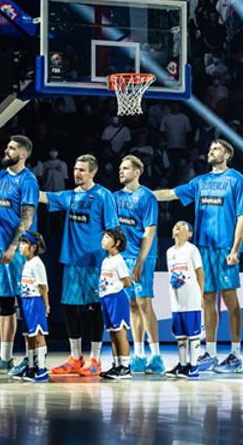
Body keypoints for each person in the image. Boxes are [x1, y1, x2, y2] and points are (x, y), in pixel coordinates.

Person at [152, 140, 243, 372]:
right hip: (203, 249)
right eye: (209, 148)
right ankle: (212, 352)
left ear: (226, 154)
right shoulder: (200, 181)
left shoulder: (237, 179)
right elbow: (170, 193)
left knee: (230, 299)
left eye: (215, 149)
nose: (210, 151)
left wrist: (236, 248)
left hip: (225, 248)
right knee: (207, 300)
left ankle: (235, 355)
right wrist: (143, 193)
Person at [41, 154, 120, 378]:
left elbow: (113, 229)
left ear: (92, 172)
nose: (77, 173)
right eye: (75, 169)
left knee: (94, 308)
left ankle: (95, 359)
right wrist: (26, 188)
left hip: (95, 262)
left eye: (82, 170)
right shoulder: (70, 196)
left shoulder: (103, 195)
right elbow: (45, 197)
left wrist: (111, 261)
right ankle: (76, 358)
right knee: (69, 308)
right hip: (71, 260)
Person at [0, 136, 39, 374]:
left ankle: (31, 357)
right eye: (7, 146)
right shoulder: (0, 176)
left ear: (23, 154)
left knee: (27, 302)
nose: (6, 149)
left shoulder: (28, 180)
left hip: (18, 251)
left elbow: (27, 218)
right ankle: (5, 358)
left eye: (11, 147)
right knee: (5, 302)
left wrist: (14, 247)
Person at [113, 155, 162, 375]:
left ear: (137, 172)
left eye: (125, 168)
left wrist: (141, 259)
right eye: (120, 168)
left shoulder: (147, 197)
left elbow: (149, 231)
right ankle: (139, 355)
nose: (121, 172)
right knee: (132, 305)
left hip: (143, 257)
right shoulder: (114, 197)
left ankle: (156, 356)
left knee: (144, 303)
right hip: (123, 258)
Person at [163, 221, 205, 379]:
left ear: (190, 234)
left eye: (182, 225)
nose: (177, 226)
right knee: (180, 336)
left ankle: (194, 366)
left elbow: (200, 272)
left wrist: (200, 294)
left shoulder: (192, 249)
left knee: (193, 334)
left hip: (191, 298)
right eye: (175, 225)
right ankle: (182, 365)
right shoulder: (169, 252)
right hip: (176, 299)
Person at [98, 228, 134, 380]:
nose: (103, 240)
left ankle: (125, 367)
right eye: (104, 237)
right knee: (112, 334)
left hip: (117, 299)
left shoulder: (119, 260)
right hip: (106, 299)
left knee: (120, 333)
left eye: (107, 238)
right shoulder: (106, 260)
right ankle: (116, 364)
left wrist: (113, 289)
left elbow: (127, 282)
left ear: (117, 243)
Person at [16, 231, 51, 383]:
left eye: (24, 243)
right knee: (29, 336)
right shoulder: (26, 263)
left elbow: (43, 287)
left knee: (38, 335)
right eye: (20, 243)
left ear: (33, 247)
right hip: (26, 302)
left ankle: (42, 369)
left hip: (36, 301)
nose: (20, 246)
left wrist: (46, 304)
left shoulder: (37, 263)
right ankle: (31, 367)